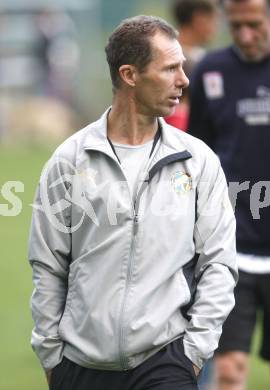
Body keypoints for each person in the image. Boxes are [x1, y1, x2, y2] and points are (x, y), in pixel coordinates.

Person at [28, 15, 237, 390]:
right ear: (129, 75)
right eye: (170, 68)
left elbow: (218, 262)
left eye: (182, 68)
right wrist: (52, 355)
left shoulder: (198, 160)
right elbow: (47, 265)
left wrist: (194, 351)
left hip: (166, 363)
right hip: (79, 366)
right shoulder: (69, 160)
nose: (184, 80)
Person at [188, 0, 270, 388]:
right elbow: (196, 155)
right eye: (236, 26)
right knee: (228, 371)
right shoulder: (210, 71)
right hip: (230, 246)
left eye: (254, 24)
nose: (244, 35)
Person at [165, 0, 218, 131]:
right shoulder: (169, 58)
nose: (216, 26)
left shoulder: (204, 58)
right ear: (199, 18)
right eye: (213, 19)